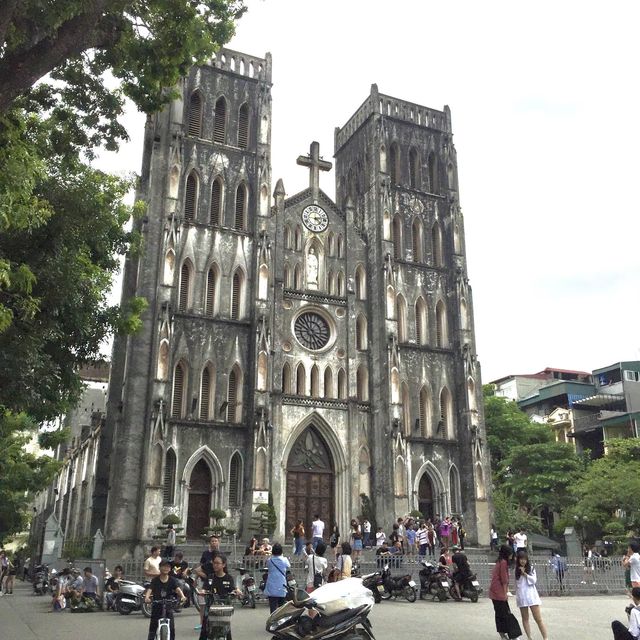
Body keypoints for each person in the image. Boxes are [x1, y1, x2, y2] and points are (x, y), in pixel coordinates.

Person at [199, 554, 242, 640]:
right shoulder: (210, 577)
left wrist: (237, 591)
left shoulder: (229, 578)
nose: (215, 565)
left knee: (227, 630)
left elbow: (233, 589)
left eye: (218, 563)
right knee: (204, 629)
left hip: (224, 609)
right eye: (214, 563)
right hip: (211, 607)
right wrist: (202, 592)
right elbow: (204, 588)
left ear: (224, 565)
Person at [143, 559, 187, 640]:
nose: (166, 568)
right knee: (153, 628)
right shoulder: (155, 580)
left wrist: (183, 596)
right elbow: (150, 589)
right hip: (157, 605)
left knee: (172, 628)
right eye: (164, 566)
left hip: (168, 606)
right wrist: (147, 597)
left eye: (168, 566)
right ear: (159, 568)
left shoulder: (172, 580)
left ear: (170, 569)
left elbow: (178, 589)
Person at [515, 550, 548, 640]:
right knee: (525, 619)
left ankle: (545, 637)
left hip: (532, 596)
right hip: (522, 597)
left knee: (538, 619)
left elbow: (533, 581)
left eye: (524, 559)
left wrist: (525, 574)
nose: (523, 561)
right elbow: (517, 585)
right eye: (521, 559)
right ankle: (529, 637)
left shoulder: (531, 568)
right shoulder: (516, 570)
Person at [490, 545, 516, 640]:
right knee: (505, 613)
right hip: (499, 591)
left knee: (499, 613)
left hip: (494, 591)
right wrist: (505, 593)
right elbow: (504, 579)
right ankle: (511, 634)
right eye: (510, 553)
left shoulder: (499, 561)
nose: (511, 555)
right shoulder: (504, 562)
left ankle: (502, 634)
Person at [264, 543, 291, 613]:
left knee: (273, 607)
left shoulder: (270, 560)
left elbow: (266, 565)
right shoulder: (284, 560)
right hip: (281, 585)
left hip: (271, 585)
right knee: (281, 607)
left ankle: (272, 621)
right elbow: (288, 566)